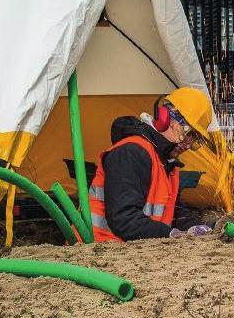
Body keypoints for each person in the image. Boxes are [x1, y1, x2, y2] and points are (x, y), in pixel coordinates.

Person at [87, 87, 215, 242]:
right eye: (187, 133)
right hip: (96, 248)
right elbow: (124, 219)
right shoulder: (131, 152)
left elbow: (174, 213)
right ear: (165, 117)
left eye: (195, 140)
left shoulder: (166, 164)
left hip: (128, 250)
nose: (188, 144)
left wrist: (199, 229)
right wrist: (170, 235)